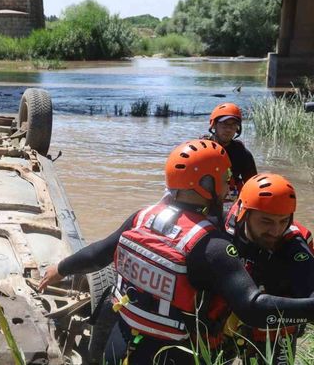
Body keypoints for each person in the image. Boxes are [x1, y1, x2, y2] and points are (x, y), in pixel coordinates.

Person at [38, 139, 314, 365]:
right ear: (207, 184)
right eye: (226, 177)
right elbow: (252, 310)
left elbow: (98, 254)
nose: (230, 185)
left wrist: (60, 269)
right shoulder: (213, 246)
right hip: (172, 354)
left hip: (122, 339)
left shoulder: (143, 216)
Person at [223, 173, 314, 364]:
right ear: (243, 213)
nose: (276, 231)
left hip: (274, 324)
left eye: (283, 221)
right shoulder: (223, 227)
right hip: (227, 317)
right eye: (266, 221)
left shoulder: (295, 245)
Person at [204, 103, 257, 211]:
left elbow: (252, 184)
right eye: (224, 124)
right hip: (204, 196)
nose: (228, 130)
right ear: (214, 125)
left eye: (233, 125)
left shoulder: (243, 154)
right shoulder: (201, 149)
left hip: (230, 200)